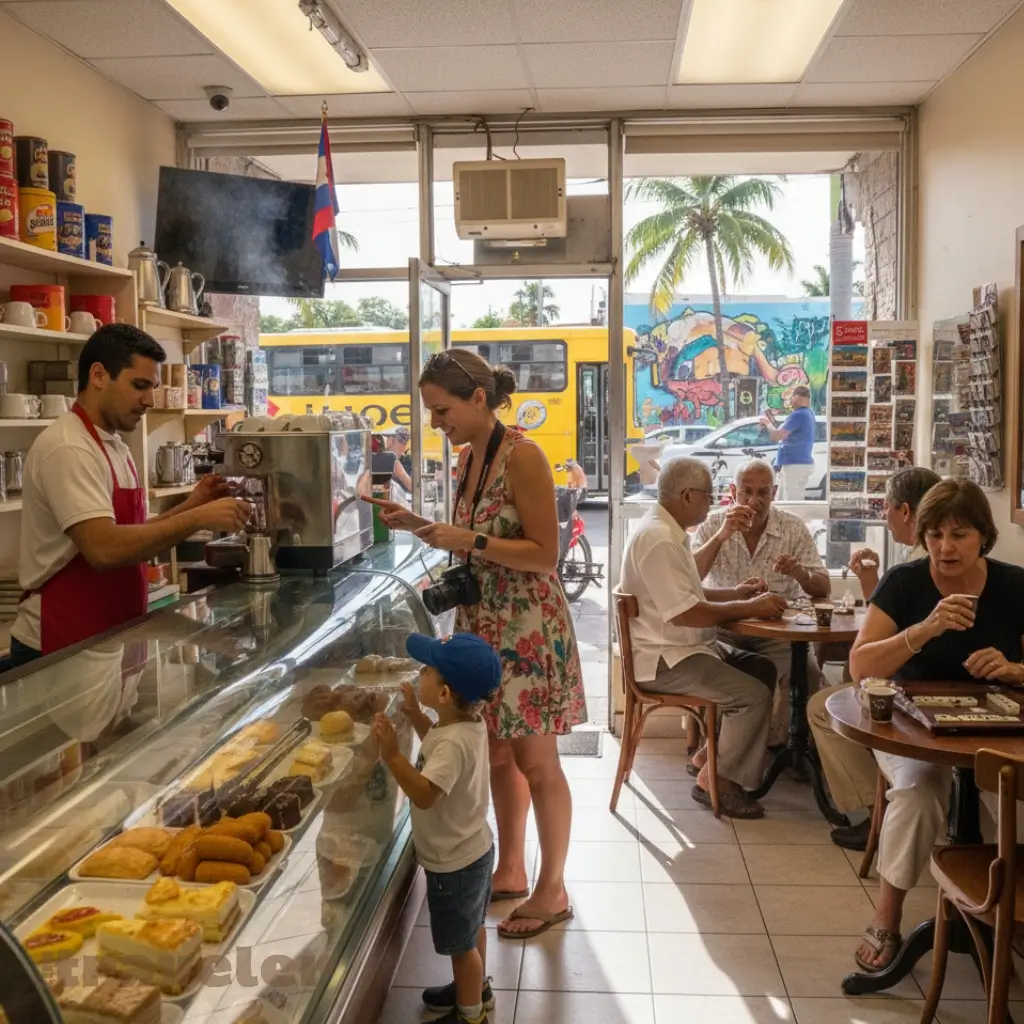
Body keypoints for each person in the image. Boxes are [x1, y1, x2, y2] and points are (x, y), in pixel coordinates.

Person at [363, 348, 584, 940]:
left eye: (442, 410)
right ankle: (510, 867)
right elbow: (477, 538)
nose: (436, 423)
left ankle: (553, 888)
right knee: (501, 754)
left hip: (527, 627)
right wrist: (421, 524)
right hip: (484, 621)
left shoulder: (525, 456)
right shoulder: (470, 459)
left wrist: (468, 536)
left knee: (539, 763)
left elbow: (544, 554)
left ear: (479, 398)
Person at [847, 479, 1024, 973]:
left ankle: (996, 913)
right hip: (909, 726)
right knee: (921, 786)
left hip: (993, 729)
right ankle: (888, 916)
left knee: (1005, 792)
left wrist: (1015, 670)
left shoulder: (1014, 586)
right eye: (935, 535)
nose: (945, 547)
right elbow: (861, 667)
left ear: (983, 537)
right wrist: (923, 630)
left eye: (960, 535)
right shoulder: (905, 584)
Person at [8, 325, 251, 668]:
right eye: (139, 386)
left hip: (111, 637)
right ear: (98, 376)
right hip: (61, 643)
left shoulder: (114, 445)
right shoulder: (68, 447)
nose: (149, 400)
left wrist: (193, 504)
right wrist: (197, 519)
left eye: (152, 388)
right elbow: (104, 549)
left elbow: (130, 535)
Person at [620, 456, 787, 819]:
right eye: (709, 496)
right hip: (666, 659)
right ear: (686, 495)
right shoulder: (658, 539)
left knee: (762, 668)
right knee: (752, 696)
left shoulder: (668, 531)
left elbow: (690, 590)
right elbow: (686, 612)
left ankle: (709, 758)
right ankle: (720, 783)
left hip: (687, 648)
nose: (712, 503)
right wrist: (750, 608)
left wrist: (738, 594)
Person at [806, 466, 940, 852]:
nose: (884, 516)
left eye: (886, 508)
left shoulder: (916, 565)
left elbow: (883, 647)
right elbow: (888, 623)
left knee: (823, 708)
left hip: (906, 686)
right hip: (912, 675)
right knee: (840, 680)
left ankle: (873, 813)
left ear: (904, 511)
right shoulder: (913, 561)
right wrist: (872, 577)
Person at [372, 632, 502, 1024]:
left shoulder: (451, 744)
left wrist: (394, 756)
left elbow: (426, 793)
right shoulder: (467, 725)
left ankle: (469, 1014)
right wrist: (414, 715)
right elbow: (441, 744)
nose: (420, 674)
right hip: (475, 850)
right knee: (473, 929)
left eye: (426, 670)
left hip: (453, 864)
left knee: (460, 948)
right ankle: (476, 990)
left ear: (444, 694)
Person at [693, 458, 830, 746]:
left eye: (763, 493)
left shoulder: (792, 527)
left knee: (808, 672)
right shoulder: (714, 524)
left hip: (778, 632)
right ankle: (715, 750)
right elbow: (690, 578)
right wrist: (722, 536)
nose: (754, 501)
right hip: (725, 628)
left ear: (774, 492)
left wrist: (799, 572)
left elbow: (822, 587)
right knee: (715, 668)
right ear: (733, 491)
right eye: (747, 492)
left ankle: (785, 746)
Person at [760, 385, 815, 500]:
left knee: (792, 502)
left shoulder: (798, 415)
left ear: (796, 397)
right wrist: (772, 423)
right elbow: (783, 433)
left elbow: (776, 435)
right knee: (782, 501)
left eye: (791, 398)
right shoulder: (808, 414)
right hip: (795, 464)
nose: (789, 402)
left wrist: (767, 423)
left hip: (794, 465)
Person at [371, 426, 413, 495]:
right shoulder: (390, 459)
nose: (403, 454)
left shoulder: (371, 458)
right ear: (390, 441)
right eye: (400, 450)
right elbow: (410, 485)